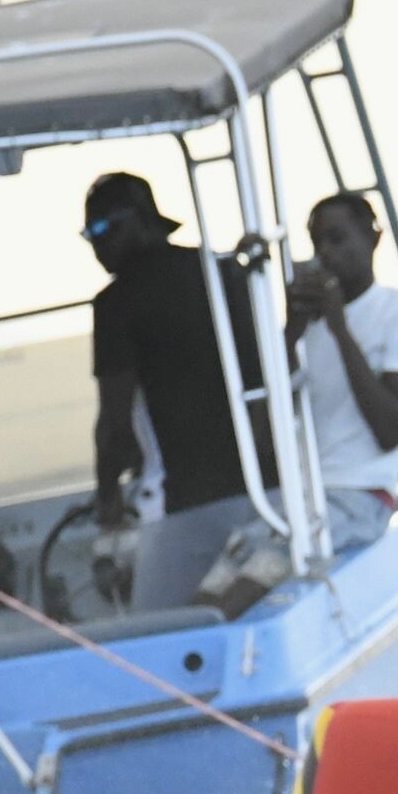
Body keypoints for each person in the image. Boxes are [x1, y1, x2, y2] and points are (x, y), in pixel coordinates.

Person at [193, 192, 398, 616]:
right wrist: (291, 333)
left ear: (373, 238)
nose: (326, 254)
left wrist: (340, 329)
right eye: (318, 243)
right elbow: (265, 439)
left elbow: (391, 431)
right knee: (206, 600)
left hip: (357, 498)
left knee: (240, 598)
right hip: (300, 502)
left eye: (338, 239)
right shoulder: (308, 330)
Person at [84, 172, 273, 610]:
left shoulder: (116, 304)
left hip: (188, 503)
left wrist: (108, 497)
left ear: (141, 222)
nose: (97, 244)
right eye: (89, 234)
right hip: (263, 488)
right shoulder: (222, 270)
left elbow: (115, 423)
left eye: (105, 228)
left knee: (155, 625)